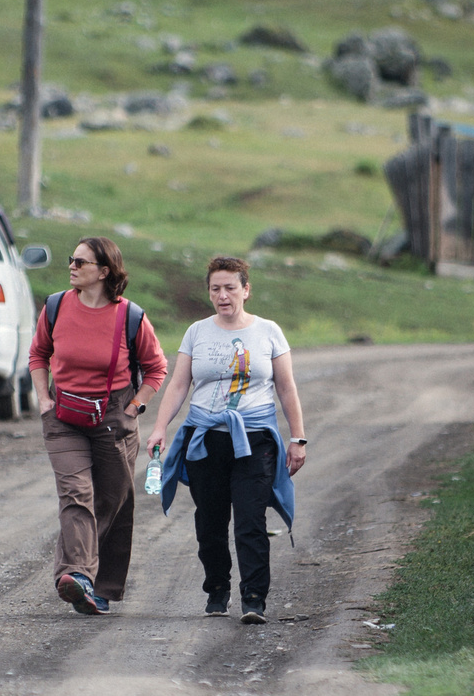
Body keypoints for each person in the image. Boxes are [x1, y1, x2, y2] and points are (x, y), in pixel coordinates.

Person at [148, 255, 307, 622]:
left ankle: (253, 598)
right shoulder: (197, 332)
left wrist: (298, 438)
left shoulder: (268, 331)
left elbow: (286, 388)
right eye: (215, 289)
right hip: (205, 441)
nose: (223, 295)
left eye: (230, 288)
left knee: (250, 521)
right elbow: (178, 385)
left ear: (246, 290)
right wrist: (159, 427)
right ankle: (217, 588)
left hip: (255, 441)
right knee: (210, 523)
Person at [29, 236, 167, 616]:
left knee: (113, 500)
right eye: (70, 259)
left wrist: (135, 408)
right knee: (76, 493)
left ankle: (101, 587)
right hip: (64, 417)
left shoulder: (131, 317)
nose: (71, 266)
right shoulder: (56, 306)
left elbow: (156, 368)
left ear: (104, 271)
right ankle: (76, 576)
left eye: (81, 261)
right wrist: (44, 399)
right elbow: (39, 354)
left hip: (114, 418)